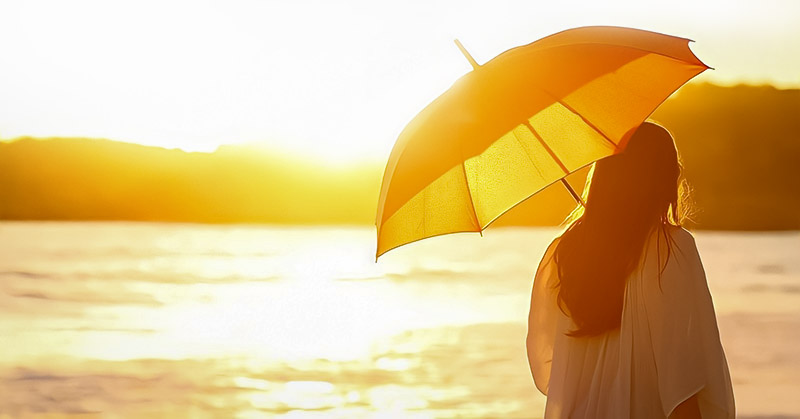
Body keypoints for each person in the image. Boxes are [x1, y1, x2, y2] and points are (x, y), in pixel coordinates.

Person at [526, 122, 735, 418]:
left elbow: (546, 365)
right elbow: (681, 376)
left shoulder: (564, 251)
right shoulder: (670, 248)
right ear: (663, 178)